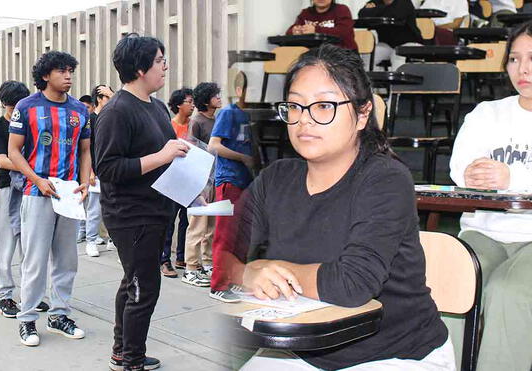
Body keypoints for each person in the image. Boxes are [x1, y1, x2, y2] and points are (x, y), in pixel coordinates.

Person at [238, 43, 453, 371]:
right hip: (301, 348)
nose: (304, 120)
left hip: (395, 356)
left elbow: (351, 285)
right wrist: (247, 270)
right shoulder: (276, 178)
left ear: (363, 114)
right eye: (295, 107)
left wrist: (268, 265)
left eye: (324, 106)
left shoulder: (386, 179)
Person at [448, 19, 532, 371]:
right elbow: (460, 168)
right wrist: (470, 174)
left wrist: (511, 177)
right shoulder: (487, 114)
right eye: (514, 59)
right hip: (486, 233)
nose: (522, 69)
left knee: (508, 289)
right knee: (452, 276)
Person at [95, 33, 184, 371]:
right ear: (141, 68)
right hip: (131, 214)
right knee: (143, 289)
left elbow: (169, 153)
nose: (165, 67)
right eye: (160, 61)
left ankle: (124, 351)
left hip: (157, 208)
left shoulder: (157, 106)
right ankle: (131, 361)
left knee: (132, 283)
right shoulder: (116, 111)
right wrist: (160, 156)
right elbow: (108, 167)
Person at [8, 51, 91, 347]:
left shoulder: (80, 109)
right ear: (45, 75)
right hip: (37, 192)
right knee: (35, 258)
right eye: (61, 71)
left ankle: (59, 315)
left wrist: (84, 182)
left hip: (68, 194)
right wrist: (36, 180)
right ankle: (27, 319)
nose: (68, 76)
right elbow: (14, 151)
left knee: (67, 258)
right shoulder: (27, 107)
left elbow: (84, 150)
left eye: (71, 70)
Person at [0, 80, 49, 317]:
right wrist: (29, 168)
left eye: (19, 105)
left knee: (30, 246)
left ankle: (29, 294)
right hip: (6, 189)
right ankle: (4, 296)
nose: (15, 109)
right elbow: (2, 160)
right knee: (5, 245)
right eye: (11, 105)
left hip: (30, 190)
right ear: (4, 104)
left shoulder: (32, 123)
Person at [207, 72, 255, 303]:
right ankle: (218, 285)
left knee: (242, 237)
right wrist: (243, 158)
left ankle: (236, 280)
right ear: (239, 90)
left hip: (247, 183)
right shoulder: (229, 113)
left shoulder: (252, 114)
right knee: (225, 236)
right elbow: (213, 146)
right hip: (229, 181)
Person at [182, 82, 222, 287]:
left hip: (215, 177)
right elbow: (191, 148)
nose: (220, 98)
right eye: (216, 95)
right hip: (201, 179)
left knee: (212, 224)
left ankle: (207, 262)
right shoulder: (196, 121)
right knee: (197, 224)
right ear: (206, 99)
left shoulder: (216, 119)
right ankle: (191, 268)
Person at [159, 88, 194, 278]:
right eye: (189, 101)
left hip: (189, 179)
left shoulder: (193, 126)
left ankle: (181, 256)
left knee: (186, 221)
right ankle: (165, 260)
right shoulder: (169, 126)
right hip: (172, 179)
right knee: (169, 221)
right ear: (179, 105)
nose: (193, 105)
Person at [81, 84, 114, 257]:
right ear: (99, 99)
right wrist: (90, 172)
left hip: (112, 170)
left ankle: (111, 239)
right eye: (107, 96)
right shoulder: (91, 120)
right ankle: (91, 240)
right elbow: (87, 148)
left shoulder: (113, 117)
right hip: (96, 171)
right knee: (94, 209)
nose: (110, 99)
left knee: (112, 208)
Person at [358, 0, 423, 70]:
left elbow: (394, 14)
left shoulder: (404, 2)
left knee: (397, 55)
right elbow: (362, 14)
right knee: (368, 56)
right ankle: (372, 80)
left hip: (410, 43)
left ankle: (398, 81)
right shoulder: (375, 2)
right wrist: (384, 9)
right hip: (387, 44)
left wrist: (373, 10)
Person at [286, 0, 358, 50]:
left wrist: (316, 30)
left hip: (344, 56)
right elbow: (289, 32)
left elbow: (343, 32)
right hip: (314, 58)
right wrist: (295, 31)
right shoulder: (305, 13)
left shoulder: (342, 9)